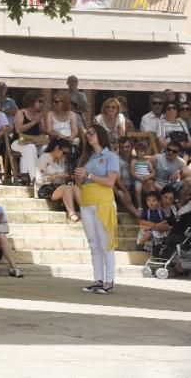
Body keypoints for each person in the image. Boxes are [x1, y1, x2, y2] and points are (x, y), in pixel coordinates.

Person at [75, 124, 120, 295]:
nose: (88, 136)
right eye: (87, 134)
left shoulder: (110, 156)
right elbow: (79, 184)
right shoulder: (87, 157)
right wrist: (79, 177)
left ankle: (109, 281)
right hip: (86, 202)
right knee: (93, 243)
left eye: (92, 133)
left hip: (103, 203)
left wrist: (88, 175)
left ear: (100, 134)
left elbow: (110, 182)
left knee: (105, 243)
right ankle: (97, 279)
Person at [35, 138, 81, 222]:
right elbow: (39, 180)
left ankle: (86, 210)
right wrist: (56, 176)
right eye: (64, 153)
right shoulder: (44, 158)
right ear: (57, 148)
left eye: (67, 154)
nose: (65, 155)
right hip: (45, 187)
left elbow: (65, 178)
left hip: (59, 187)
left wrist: (70, 176)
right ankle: (71, 213)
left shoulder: (63, 160)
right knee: (66, 188)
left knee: (75, 187)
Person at [10, 91, 47, 186]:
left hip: (35, 142)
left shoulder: (39, 114)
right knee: (30, 148)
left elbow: (43, 132)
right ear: (32, 101)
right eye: (40, 101)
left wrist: (40, 122)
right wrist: (34, 122)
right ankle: (36, 179)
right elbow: (18, 130)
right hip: (18, 142)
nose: (42, 104)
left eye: (43, 102)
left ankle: (46, 177)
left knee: (46, 148)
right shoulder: (21, 112)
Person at [131, 140, 157, 205]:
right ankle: (140, 206)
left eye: (141, 151)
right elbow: (132, 172)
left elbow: (153, 172)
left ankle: (151, 205)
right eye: (137, 151)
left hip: (146, 178)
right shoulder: (134, 161)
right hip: (138, 179)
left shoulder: (147, 161)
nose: (139, 153)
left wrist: (147, 177)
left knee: (152, 189)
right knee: (137, 190)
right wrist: (139, 178)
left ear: (145, 152)